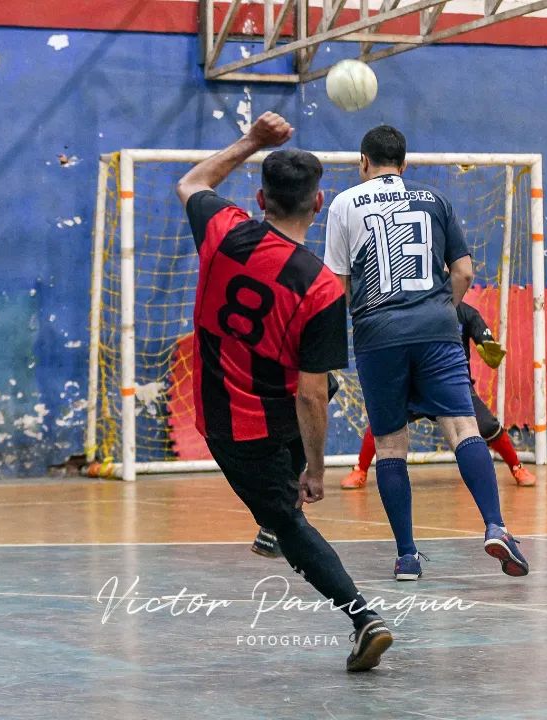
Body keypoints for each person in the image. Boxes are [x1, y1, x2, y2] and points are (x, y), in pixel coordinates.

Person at [175, 111, 392, 672]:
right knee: (323, 382)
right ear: (318, 205)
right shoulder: (321, 286)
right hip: (281, 418)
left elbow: (192, 183)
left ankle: (363, 617)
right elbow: (312, 396)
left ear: (259, 196)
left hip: (231, 422)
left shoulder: (225, 232)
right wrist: (316, 468)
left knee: (291, 524)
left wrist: (251, 139)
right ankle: (278, 513)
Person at [323, 124, 529, 581]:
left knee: (391, 445)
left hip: (378, 334)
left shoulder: (343, 204)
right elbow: (464, 270)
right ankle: (495, 525)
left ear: (363, 163)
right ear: (405, 164)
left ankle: (407, 556)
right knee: (462, 428)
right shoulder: (434, 199)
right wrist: (441, 311)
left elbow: (335, 286)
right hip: (436, 327)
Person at [340, 302, 536, 489]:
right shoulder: (415, 311)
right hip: (413, 386)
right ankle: (360, 470)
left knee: (487, 425)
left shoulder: (468, 313)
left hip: (453, 387)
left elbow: (488, 344)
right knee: (383, 420)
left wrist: (491, 352)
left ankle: (516, 467)